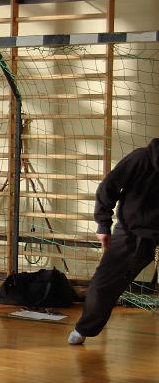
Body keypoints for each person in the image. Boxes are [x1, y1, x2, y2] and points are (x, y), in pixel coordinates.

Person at [68, 137, 159, 345]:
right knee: (104, 285)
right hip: (131, 233)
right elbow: (108, 187)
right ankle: (84, 328)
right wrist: (103, 224)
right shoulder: (141, 158)